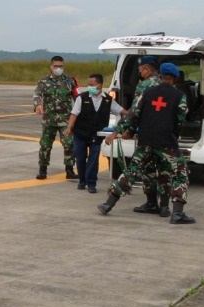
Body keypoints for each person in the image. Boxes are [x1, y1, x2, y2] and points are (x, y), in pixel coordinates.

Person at [98, 62, 196, 224]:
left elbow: (132, 114)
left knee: (132, 171)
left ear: (161, 76)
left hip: (145, 140)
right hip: (167, 143)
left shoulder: (148, 92)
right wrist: (173, 136)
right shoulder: (179, 96)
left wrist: (122, 131)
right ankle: (177, 213)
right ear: (174, 78)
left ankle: (108, 204)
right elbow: (180, 121)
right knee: (180, 174)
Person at [115, 55, 166, 213]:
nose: (140, 73)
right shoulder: (167, 85)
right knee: (164, 171)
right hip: (165, 135)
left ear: (146, 69)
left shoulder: (144, 86)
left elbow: (135, 112)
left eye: (140, 70)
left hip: (147, 134)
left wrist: (127, 130)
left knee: (146, 170)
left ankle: (150, 203)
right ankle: (164, 206)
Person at [65, 73, 123, 194]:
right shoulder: (82, 97)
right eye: (88, 84)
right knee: (80, 157)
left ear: (100, 85)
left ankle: (91, 183)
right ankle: (82, 180)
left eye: (92, 84)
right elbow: (74, 114)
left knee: (93, 158)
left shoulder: (108, 99)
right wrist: (69, 127)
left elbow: (120, 110)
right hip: (80, 133)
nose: (89, 87)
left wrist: (134, 114)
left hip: (96, 134)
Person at [32, 55, 78, 180]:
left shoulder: (70, 81)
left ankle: (69, 170)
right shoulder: (43, 81)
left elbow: (77, 97)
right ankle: (43, 170)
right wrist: (38, 105)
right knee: (45, 145)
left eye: (61, 66)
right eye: (56, 66)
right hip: (49, 119)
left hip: (65, 120)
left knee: (69, 144)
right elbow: (37, 94)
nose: (58, 68)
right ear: (51, 67)